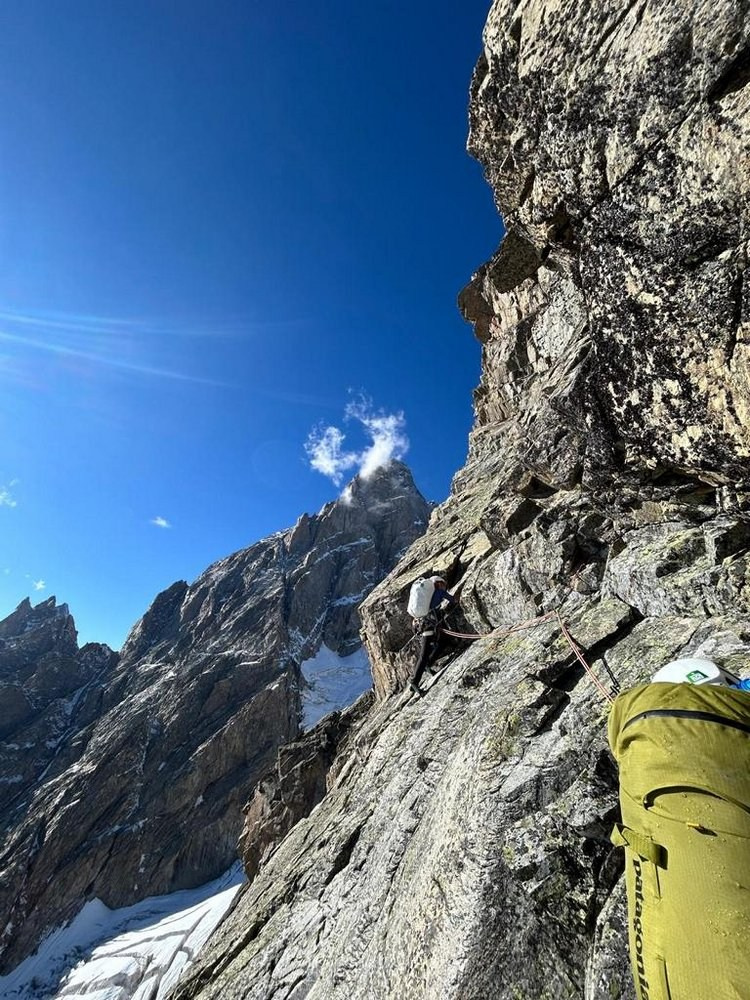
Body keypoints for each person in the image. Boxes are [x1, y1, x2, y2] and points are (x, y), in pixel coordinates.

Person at [408, 576, 456, 697]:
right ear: (438, 583)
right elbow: (451, 599)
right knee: (423, 655)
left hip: (422, 625)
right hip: (428, 627)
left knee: (442, 642)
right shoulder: (438, 592)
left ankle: (429, 664)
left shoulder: (425, 597)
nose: (444, 586)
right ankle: (414, 682)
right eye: (443, 584)